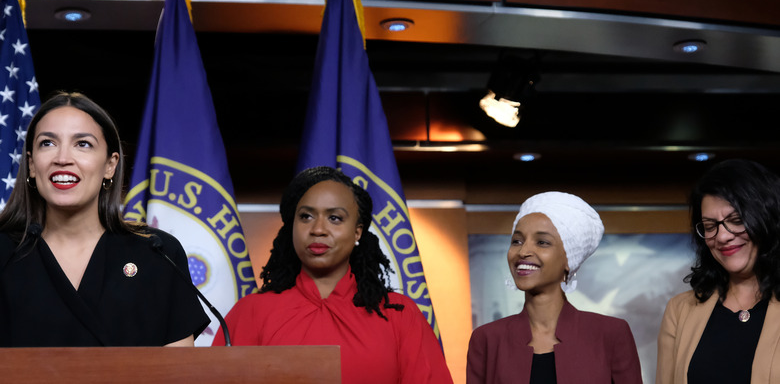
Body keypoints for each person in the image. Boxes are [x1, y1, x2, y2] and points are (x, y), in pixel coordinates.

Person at [0, 91, 209, 347]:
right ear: (32, 165)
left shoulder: (158, 253)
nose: (63, 158)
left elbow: (179, 372)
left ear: (110, 165)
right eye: (48, 143)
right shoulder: (4, 251)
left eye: (83, 144)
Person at [213, 166, 452, 384]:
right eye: (306, 216)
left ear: (358, 232)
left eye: (334, 218)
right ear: (291, 228)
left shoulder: (400, 315)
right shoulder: (251, 312)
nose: (318, 229)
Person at [467, 191, 642, 383]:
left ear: (570, 258)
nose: (523, 251)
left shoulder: (611, 334)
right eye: (517, 241)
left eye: (542, 242)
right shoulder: (486, 339)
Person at [656, 159, 780, 383]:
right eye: (710, 226)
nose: (723, 236)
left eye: (736, 220)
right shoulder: (680, 311)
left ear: (768, 219)